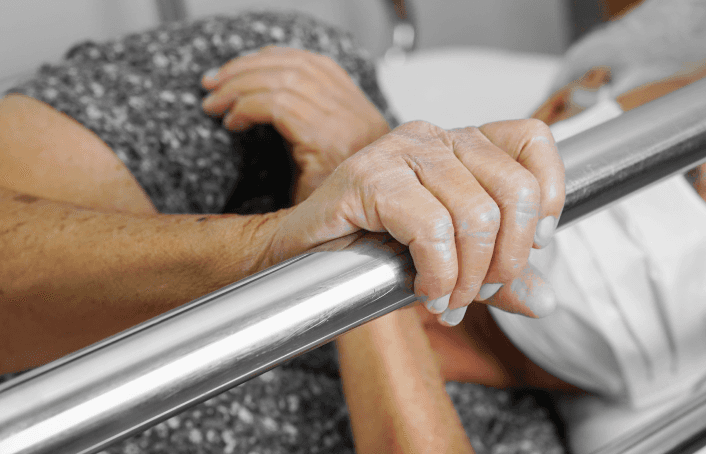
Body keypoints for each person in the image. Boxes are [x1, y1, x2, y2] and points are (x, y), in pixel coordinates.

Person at [0, 11, 565, 454]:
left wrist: (353, 272)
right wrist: (269, 245)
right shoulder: (293, 90)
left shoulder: (515, 434)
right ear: (572, 101)